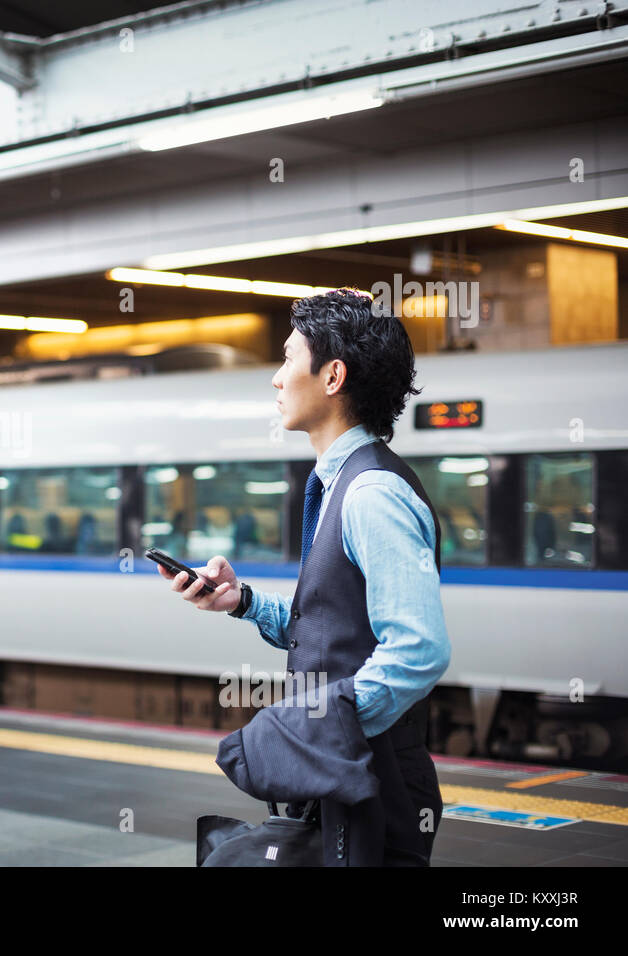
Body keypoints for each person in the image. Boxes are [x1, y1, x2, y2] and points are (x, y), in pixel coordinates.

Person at [156, 288, 450, 866]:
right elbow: (337, 623)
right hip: (345, 774)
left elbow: (419, 650)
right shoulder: (344, 484)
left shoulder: (371, 494)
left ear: (332, 375)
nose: (275, 378)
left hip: (375, 781)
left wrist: (317, 732)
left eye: (288, 358)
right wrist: (243, 602)